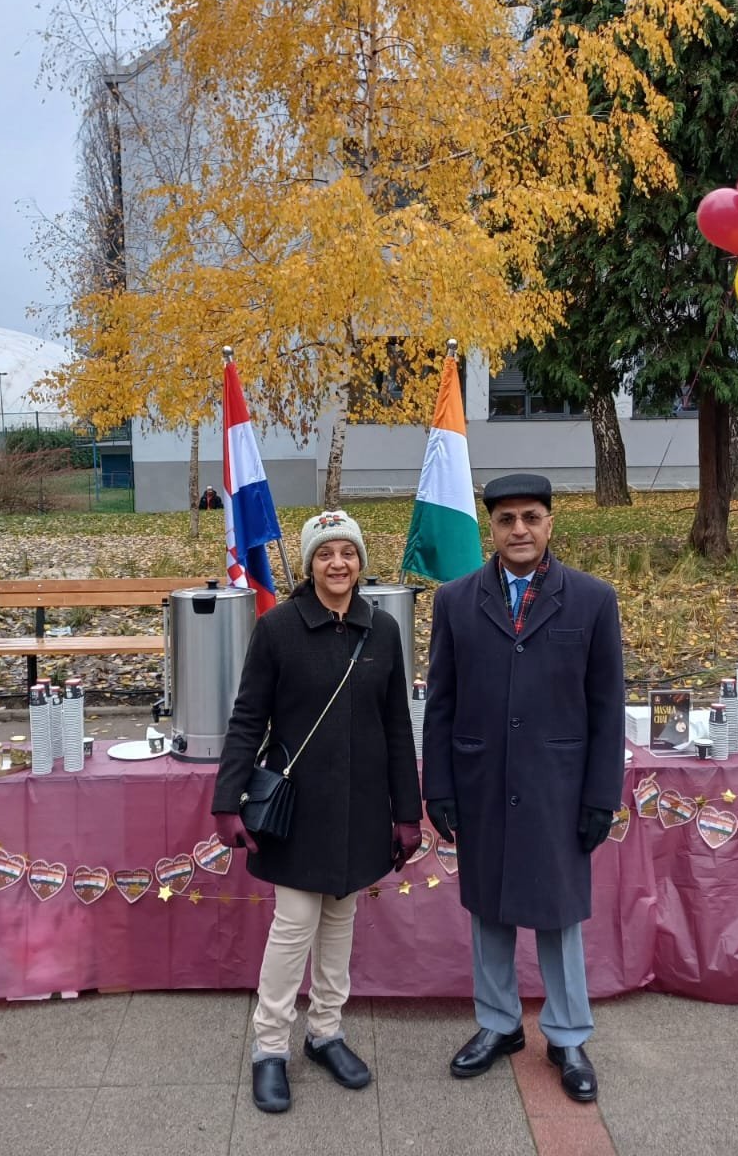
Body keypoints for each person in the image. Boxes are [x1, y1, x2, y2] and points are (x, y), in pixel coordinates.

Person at [211, 509, 423, 1114]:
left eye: (348, 553)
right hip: (297, 811)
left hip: (360, 809)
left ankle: (326, 1032)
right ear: (309, 565)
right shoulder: (277, 628)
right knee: (294, 926)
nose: (338, 564)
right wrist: (228, 801)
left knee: (341, 921)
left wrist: (406, 812)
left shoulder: (381, 631)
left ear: (360, 561)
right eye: (326, 553)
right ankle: (270, 1047)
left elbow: (397, 728)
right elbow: (249, 716)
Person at [422, 472, 623, 1103]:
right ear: (492, 527)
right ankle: (499, 1024)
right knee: (489, 910)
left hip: (557, 788)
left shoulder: (592, 600)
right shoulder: (456, 600)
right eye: (507, 519)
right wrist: (440, 787)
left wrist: (600, 794)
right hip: (482, 781)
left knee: (560, 914)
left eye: (531, 517)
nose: (519, 530)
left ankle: (566, 1034)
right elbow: (441, 703)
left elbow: (606, 706)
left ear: (550, 523)